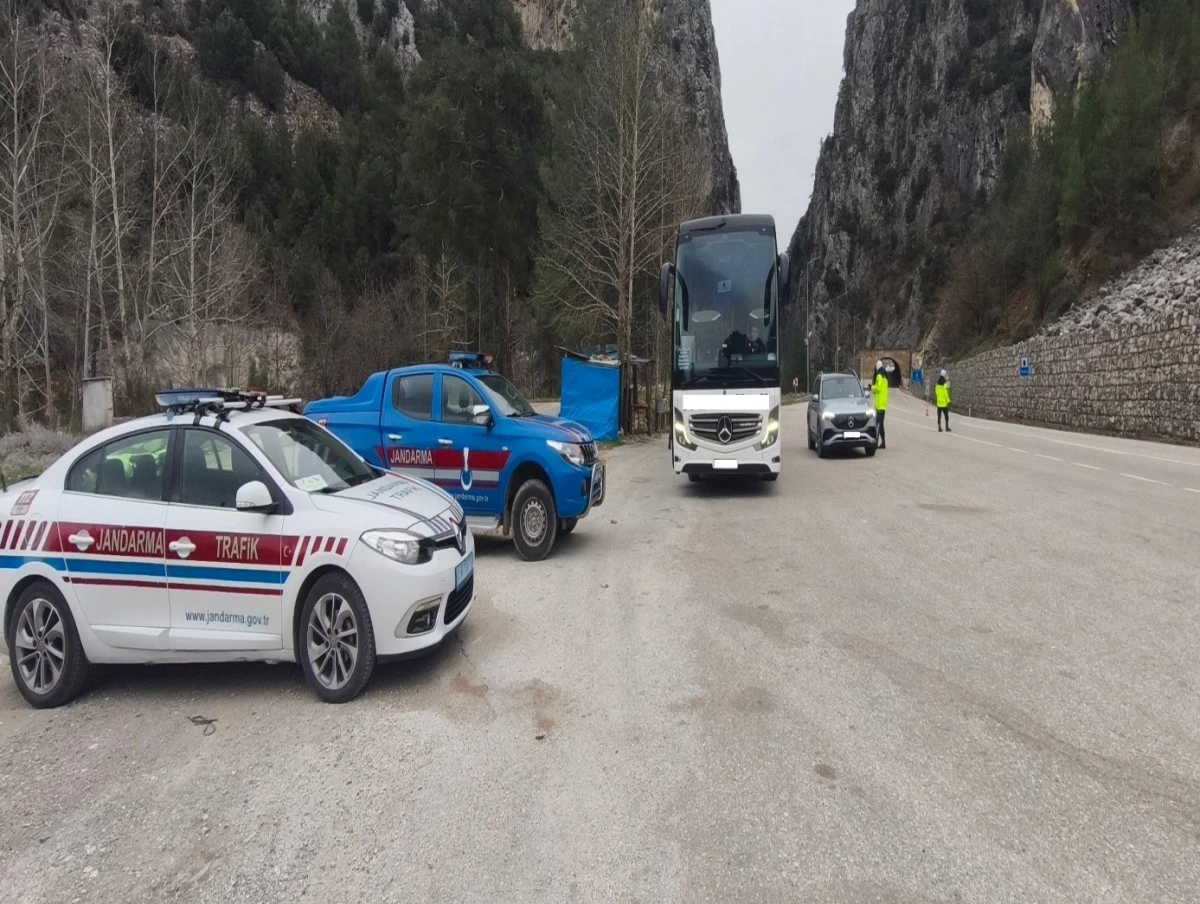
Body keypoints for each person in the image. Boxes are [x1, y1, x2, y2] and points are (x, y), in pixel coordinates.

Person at [871, 360, 889, 449]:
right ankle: (883, 443)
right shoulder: (885, 376)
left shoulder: (879, 376)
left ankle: (876, 442)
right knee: (881, 424)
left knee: (878, 424)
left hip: (879, 404)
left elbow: (877, 388)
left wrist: (871, 387)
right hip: (883, 403)